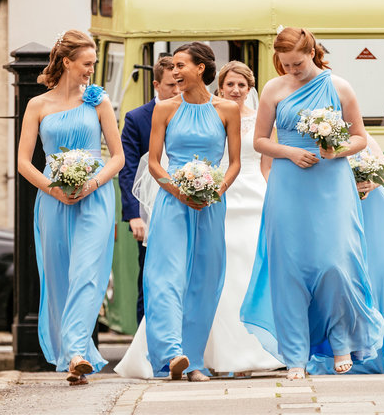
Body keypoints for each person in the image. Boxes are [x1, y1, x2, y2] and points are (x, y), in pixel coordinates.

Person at [240, 27, 384, 380]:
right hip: (288, 186)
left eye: (298, 63)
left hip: (331, 184)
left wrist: (337, 149)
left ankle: (341, 341)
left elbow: (360, 137)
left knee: (335, 264)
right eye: (285, 64)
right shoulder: (274, 90)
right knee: (289, 271)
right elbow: (259, 141)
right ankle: (295, 358)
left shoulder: (339, 87)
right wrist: (288, 151)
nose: (292, 70)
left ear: (311, 53)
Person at [16, 30, 125, 386]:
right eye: (87, 63)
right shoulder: (38, 106)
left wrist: (92, 183)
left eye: (93, 64)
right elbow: (23, 162)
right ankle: (70, 357)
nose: (92, 70)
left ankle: (78, 349)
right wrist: (55, 189)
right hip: (53, 197)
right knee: (60, 273)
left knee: (87, 271)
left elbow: (118, 157)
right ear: (66, 62)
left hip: (95, 194)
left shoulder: (98, 101)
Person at [139, 42, 241, 382]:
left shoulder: (227, 109)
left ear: (201, 68)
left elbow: (235, 163)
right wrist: (179, 190)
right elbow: (154, 163)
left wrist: (214, 191)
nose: (175, 71)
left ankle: (193, 360)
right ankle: (171, 354)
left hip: (211, 204)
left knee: (204, 279)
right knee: (164, 278)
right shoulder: (164, 109)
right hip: (172, 201)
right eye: (173, 66)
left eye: (181, 65)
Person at [308, 136, 384, 375]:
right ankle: (345, 351)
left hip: (376, 211)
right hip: (341, 213)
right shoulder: (317, 140)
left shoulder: (360, 136)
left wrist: (370, 183)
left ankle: (380, 354)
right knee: (346, 281)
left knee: (378, 280)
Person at [202, 61, 283, 376]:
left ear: (250, 89)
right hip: (220, 195)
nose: (236, 91)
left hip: (254, 198)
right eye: (230, 85)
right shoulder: (210, 116)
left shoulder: (261, 121)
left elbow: (267, 165)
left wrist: (271, 197)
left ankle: (255, 351)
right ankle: (221, 353)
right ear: (220, 86)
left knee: (253, 270)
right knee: (222, 272)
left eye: (242, 85)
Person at [119, 56, 180, 324]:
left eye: (180, 83)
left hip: (186, 202)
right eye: (170, 85)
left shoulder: (191, 111)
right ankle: (143, 342)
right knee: (149, 274)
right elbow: (127, 168)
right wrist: (134, 215)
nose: (177, 90)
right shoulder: (136, 118)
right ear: (156, 84)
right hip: (149, 208)